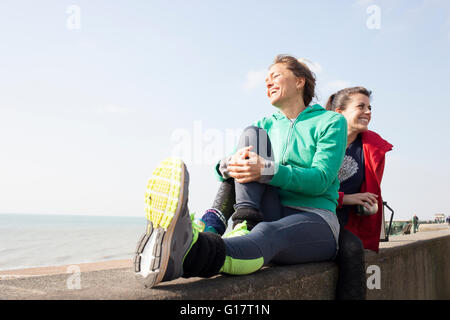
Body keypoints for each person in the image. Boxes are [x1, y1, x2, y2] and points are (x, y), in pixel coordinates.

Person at [133, 55, 348, 288]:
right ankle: (231, 225)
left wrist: (267, 170)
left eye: (275, 75)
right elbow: (221, 173)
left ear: (299, 81)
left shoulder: (331, 121)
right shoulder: (265, 124)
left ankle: (192, 249)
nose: (268, 83)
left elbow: (321, 180)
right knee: (251, 135)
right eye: (266, 80)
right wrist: (228, 164)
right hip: (267, 207)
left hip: (315, 219)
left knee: (268, 232)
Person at [325, 87, 393, 299]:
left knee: (352, 249)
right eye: (360, 106)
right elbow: (307, 186)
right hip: (317, 216)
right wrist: (346, 199)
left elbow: (370, 191)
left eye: (370, 107)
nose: (368, 112)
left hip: (347, 225)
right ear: (339, 113)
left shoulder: (373, 147)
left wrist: (367, 204)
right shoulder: (320, 142)